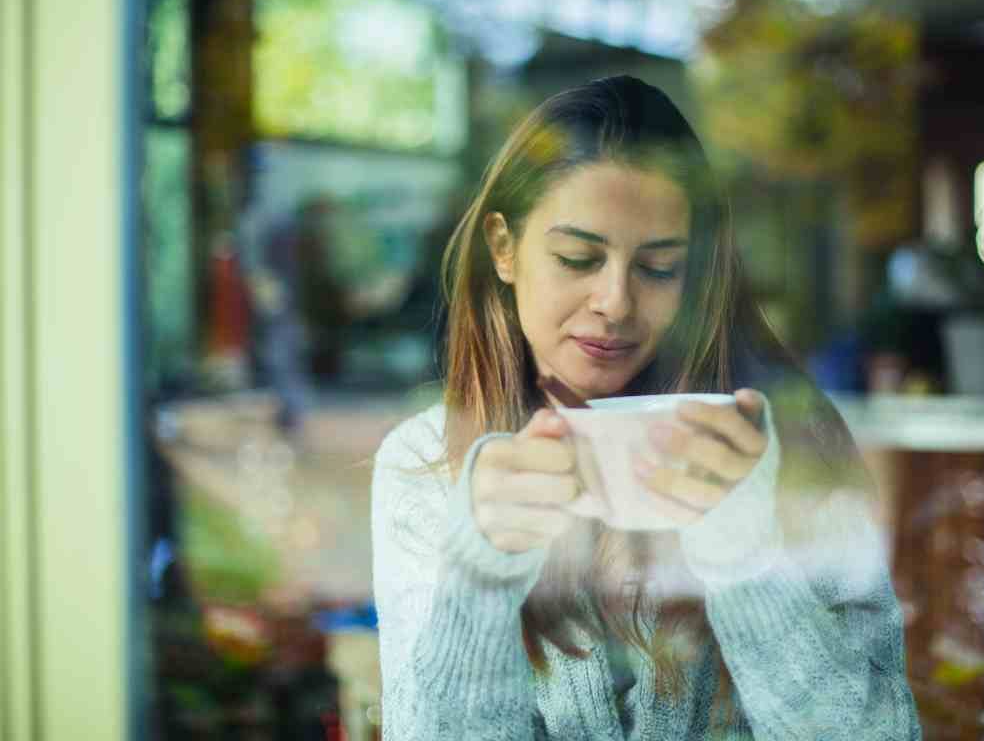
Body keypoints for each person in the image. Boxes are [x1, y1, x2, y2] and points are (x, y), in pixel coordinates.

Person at [371, 75, 921, 739]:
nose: (617, 303)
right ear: (503, 248)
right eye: (578, 258)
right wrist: (480, 579)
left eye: (658, 268)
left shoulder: (793, 446)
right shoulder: (425, 464)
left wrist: (744, 549)